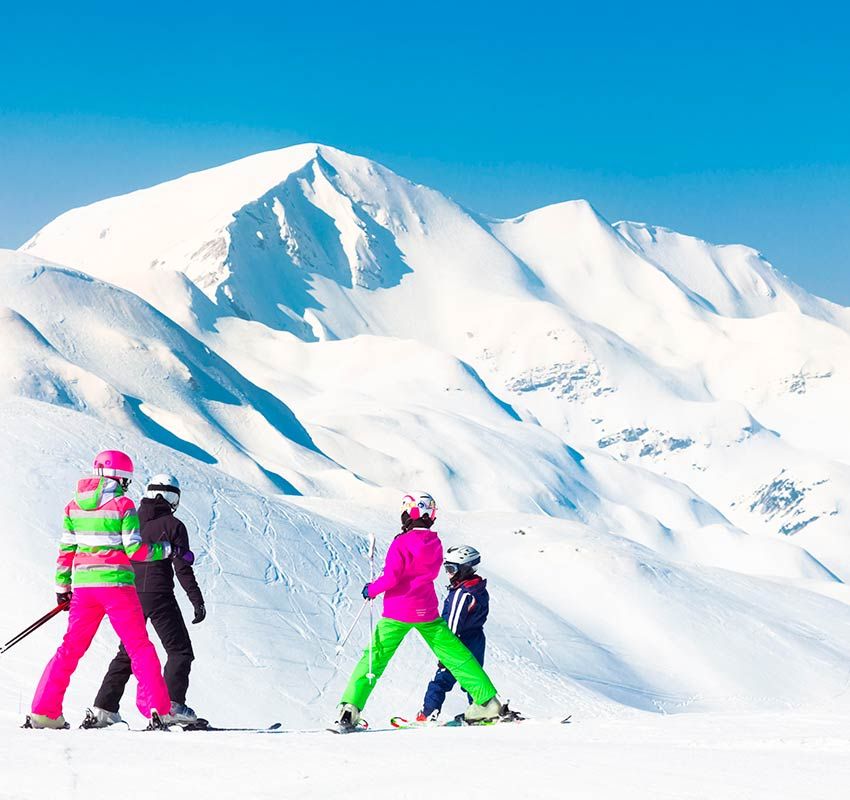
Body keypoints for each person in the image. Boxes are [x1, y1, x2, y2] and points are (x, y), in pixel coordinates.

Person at [28, 451, 185, 729]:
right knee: (138, 647)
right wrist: (168, 549)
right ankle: (159, 709)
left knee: (70, 649)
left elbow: (66, 550)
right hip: (117, 587)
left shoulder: (73, 507)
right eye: (127, 480)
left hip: (85, 589)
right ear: (121, 478)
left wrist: (62, 588)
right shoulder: (123, 505)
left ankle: (44, 712)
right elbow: (135, 550)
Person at [334, 493, 506, 730]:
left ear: (408, 514)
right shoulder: (435, 543)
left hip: (398, 611)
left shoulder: (401, 542)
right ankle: (487, 701)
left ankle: (349, 711)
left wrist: (372, 589)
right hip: (427, 611)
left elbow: (392, 577)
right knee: (456, 655)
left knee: (374, 657)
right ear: (430, 517)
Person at [85, 473, 205, 728]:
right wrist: (197, 600)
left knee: (128, 651)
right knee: (180, 651)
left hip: (128, 593)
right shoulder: (173, 525)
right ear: (169, 497)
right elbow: (183, 568)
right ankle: (169, 706)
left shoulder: (130, 518)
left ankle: (103, 709)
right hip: (159, 594)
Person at [417, 545, 488, 722]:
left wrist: (446, 652)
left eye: (451, 569)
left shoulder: (462, 593)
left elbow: (453, 625)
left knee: (441, 679)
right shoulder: (478, 589)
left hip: (458, 642)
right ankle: (482, 707)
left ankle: (428, 713)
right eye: (446, 569)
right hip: (476, 639)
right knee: (473, 677)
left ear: (464, 568)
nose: (448, 574)